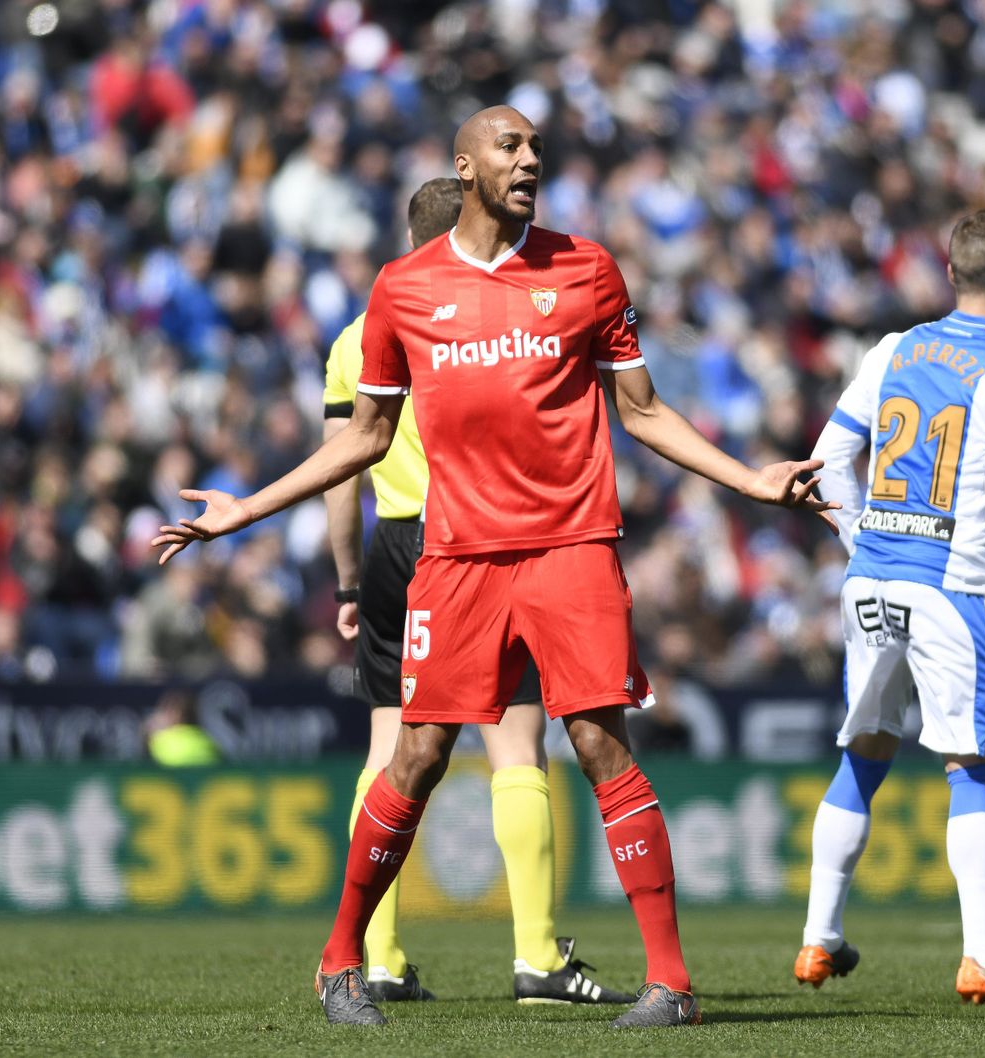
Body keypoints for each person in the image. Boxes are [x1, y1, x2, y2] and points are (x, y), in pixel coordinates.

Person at [153, 105, 836, 1029]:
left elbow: (642, 411)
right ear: (465, 167)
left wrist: (750, 480)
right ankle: (341, 960)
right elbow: (365, 437)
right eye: (510, 146)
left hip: (571, 547)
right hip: (457, 557)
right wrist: (248, 509)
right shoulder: (403, 289)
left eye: (536, 148)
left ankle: (671, 983)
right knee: (418, 754)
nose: (529, 160)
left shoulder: (586, 268)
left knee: (599, 743)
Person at [322, 176, 631, 1006]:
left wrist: (348, 579)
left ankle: (376, 958)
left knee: (389, 751)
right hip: (476, 539)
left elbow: (341, 470)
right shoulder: (487, 307)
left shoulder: (359, 332)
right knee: (516, 747)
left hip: (392, 546)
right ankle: (536, 956)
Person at [793, 210, 985, 1007]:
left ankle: (818, 936)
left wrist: (863, 538)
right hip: (952, 584)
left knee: (865, 750)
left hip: (872, 579)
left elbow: (827, 459)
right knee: (970, 766)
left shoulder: (894, 348)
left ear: (949, 273)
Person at [143, 690, 220, 766]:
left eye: (164, 709)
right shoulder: (208, 740)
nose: (158, 715)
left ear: (177, 715)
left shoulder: (160, 742)